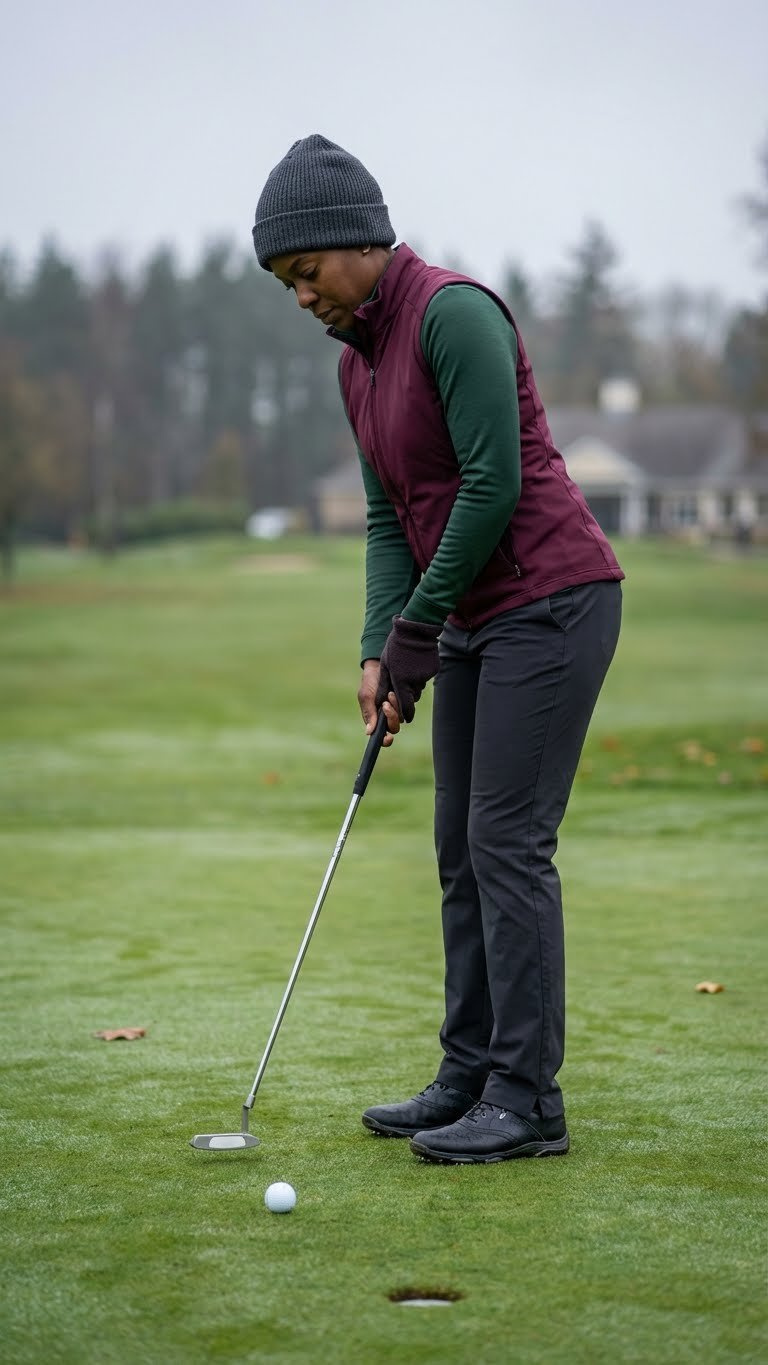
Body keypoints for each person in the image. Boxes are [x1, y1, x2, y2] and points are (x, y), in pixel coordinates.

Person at [253, 135, 624, 1164]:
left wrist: (421, 626)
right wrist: (383, 645)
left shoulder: (453, 313)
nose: (302, 296)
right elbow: (386, 521)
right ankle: (468, 1073)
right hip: (468, 616)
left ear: (355, 242)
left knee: (506, 842)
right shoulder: (356, 368)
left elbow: (490, 486)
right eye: (287, 284)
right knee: (459, 848)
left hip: (551, 601)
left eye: (306, 272)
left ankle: (527, 1101)